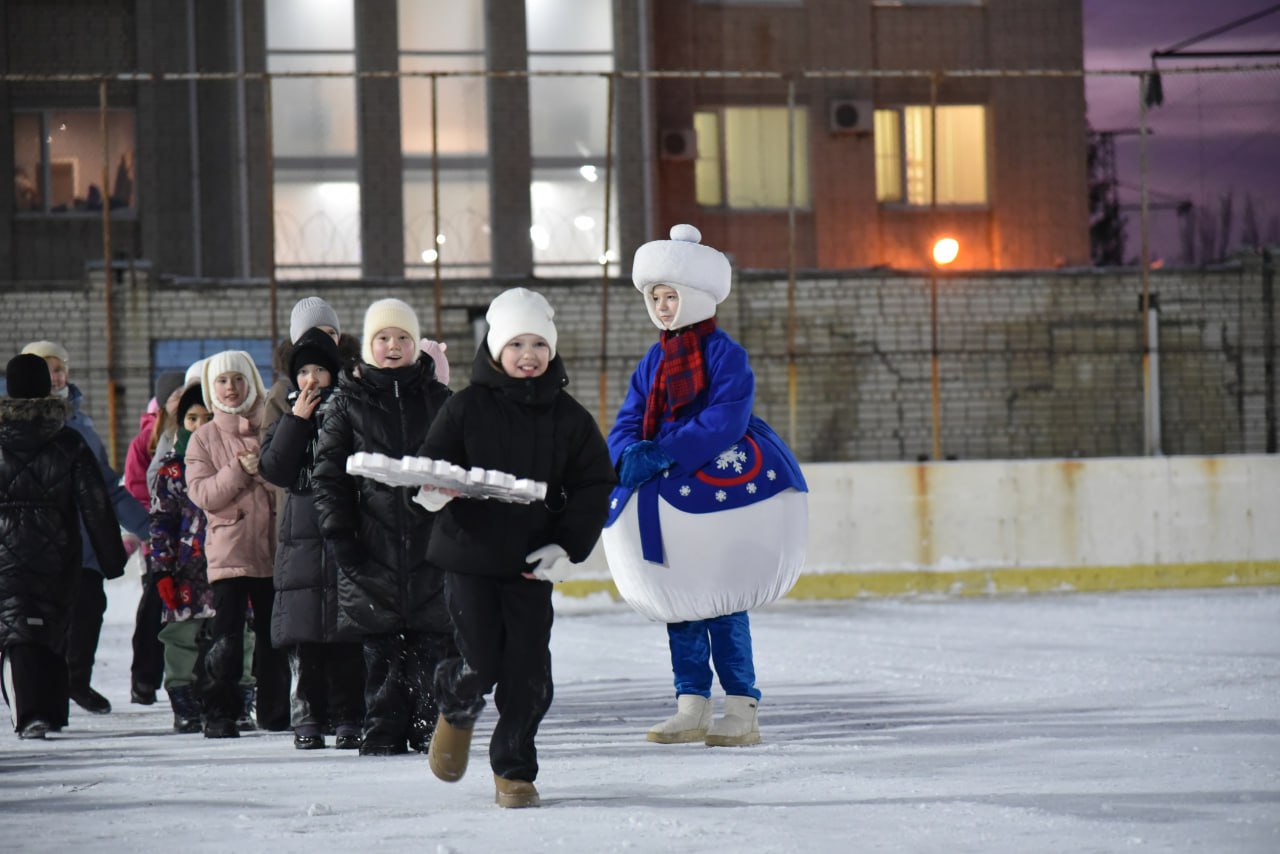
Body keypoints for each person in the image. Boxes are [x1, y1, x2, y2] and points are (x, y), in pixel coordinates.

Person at [602, 224, 808, 748]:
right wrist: (626, 453)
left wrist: (671, 450)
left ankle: (741, 705)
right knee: (680, 601)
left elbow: (726, 416)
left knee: (722, 600)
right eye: (657, 298)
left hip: (714, 486)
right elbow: (628, 417)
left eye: (672, 296)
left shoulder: (725, 354)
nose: (665, 307)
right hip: (665, 494)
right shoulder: (653, 360)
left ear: (694, 296)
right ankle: (690, 703)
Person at [418, 288, 615, 808]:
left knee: (529, 677)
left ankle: (514, 770)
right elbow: (433, 462)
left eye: (538, 344)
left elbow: (595, 484)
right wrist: (435, 491)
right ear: (494, 349)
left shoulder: (570, 418)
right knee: (480, 662)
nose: (528, 354)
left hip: (531, 565)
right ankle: (456, 707)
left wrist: (567, 547)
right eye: (516, 343)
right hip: (470, 559)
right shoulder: (464, 407)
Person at [312, 298, 455, 756]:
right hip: (370, 545)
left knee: (434, 646)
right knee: (380, 652)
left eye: (403, 338)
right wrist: (340, 535)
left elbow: (462, 466)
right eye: (383, 338)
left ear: (416, 345)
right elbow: (328, 476)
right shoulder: (346, 403)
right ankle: (383, 729)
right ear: (369, 346)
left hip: (432, 546)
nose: (393, 346)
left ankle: (429, 726)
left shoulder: (440, 401)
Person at [0, 354, 128, 739]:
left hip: (5, 553)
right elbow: (95, 501)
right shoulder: (67, 439)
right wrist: (111, 557)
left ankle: (28, 713)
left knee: (15, 629)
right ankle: (51, 712)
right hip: (57, 552)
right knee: (52, 627)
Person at [21, 340, 150, 715]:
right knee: (44, 620)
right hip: (38, 544)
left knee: (89, 608)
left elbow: (106, 485)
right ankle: (44, 690)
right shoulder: (18, 425)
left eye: (59, 368)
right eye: (46, 369)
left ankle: (77, 679)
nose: (55, 376)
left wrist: (145, 526)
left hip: (83, 543)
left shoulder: (82, 424)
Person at [259, 328, 364, 751]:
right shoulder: (287, 415)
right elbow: (274, 469)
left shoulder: (350, 410)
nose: (311, 379)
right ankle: (308, 716)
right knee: (304, 634)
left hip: (341, 525)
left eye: (320, 370)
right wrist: (296, 422)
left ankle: (349, 716)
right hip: (300, 533)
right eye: (304, 371)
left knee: (345, 631)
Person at [184, 351, 290, 738]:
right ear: (212, 390)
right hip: (230, 553)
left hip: (273, 552)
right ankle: (219, 713)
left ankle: (276, 713)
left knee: (274, 637)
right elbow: (203, 493)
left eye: (239, 380)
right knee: (225, 638)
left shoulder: (272, 427)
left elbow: (286, 483)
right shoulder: (203, 438)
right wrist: (237, 470)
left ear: (252, 384)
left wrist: (261, 471)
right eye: (223, 382)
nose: (231, 389)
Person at [149, 383, 219, 732]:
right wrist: (161, 570)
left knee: (237, 634)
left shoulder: (229, 460)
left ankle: (234, 697)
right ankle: (182, 699)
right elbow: (161, 521)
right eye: (192, 418)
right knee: (181, 634)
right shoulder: (172, 471)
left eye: (208, 417)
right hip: (184, 569)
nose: (200, 425)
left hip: (226, 564)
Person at [124, 369, 186, 706]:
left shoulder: (197, 430)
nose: (181, 401)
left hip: (193, 542)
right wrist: (155, 531)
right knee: (154, 605)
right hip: (158, 540)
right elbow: (135, 492)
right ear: (163, 403)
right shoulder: (145, 441)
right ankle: (145, 678)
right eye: (174, 396)